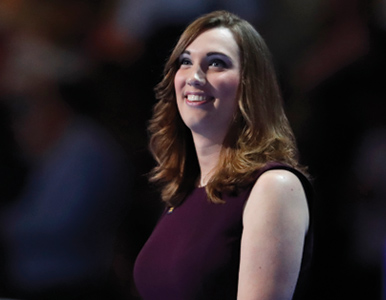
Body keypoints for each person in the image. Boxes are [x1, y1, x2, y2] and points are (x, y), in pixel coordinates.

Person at [133, 10, 313, 300]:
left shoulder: (273, 187)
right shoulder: (182, 191)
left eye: (216, 63)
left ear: (251, 85)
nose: (194, 76)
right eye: (185, 62)